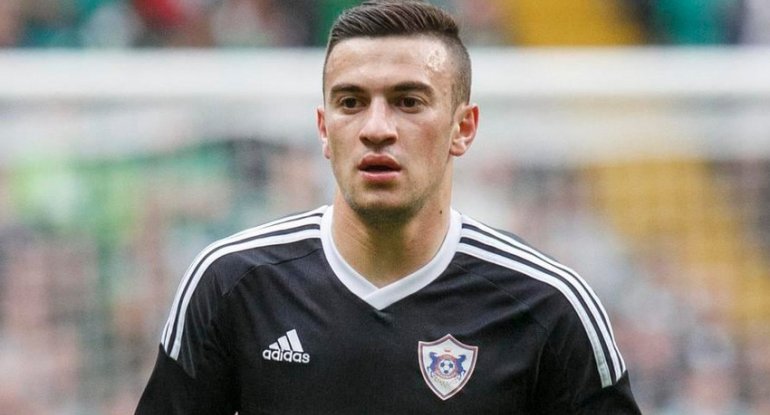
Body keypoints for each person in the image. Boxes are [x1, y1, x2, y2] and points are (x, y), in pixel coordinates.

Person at [135, 1, 642, 413]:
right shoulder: (231, 283)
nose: (376, 128)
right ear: (324, 129)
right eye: (351, 103)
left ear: (463, 128)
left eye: (408, 101)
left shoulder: (548, 305)